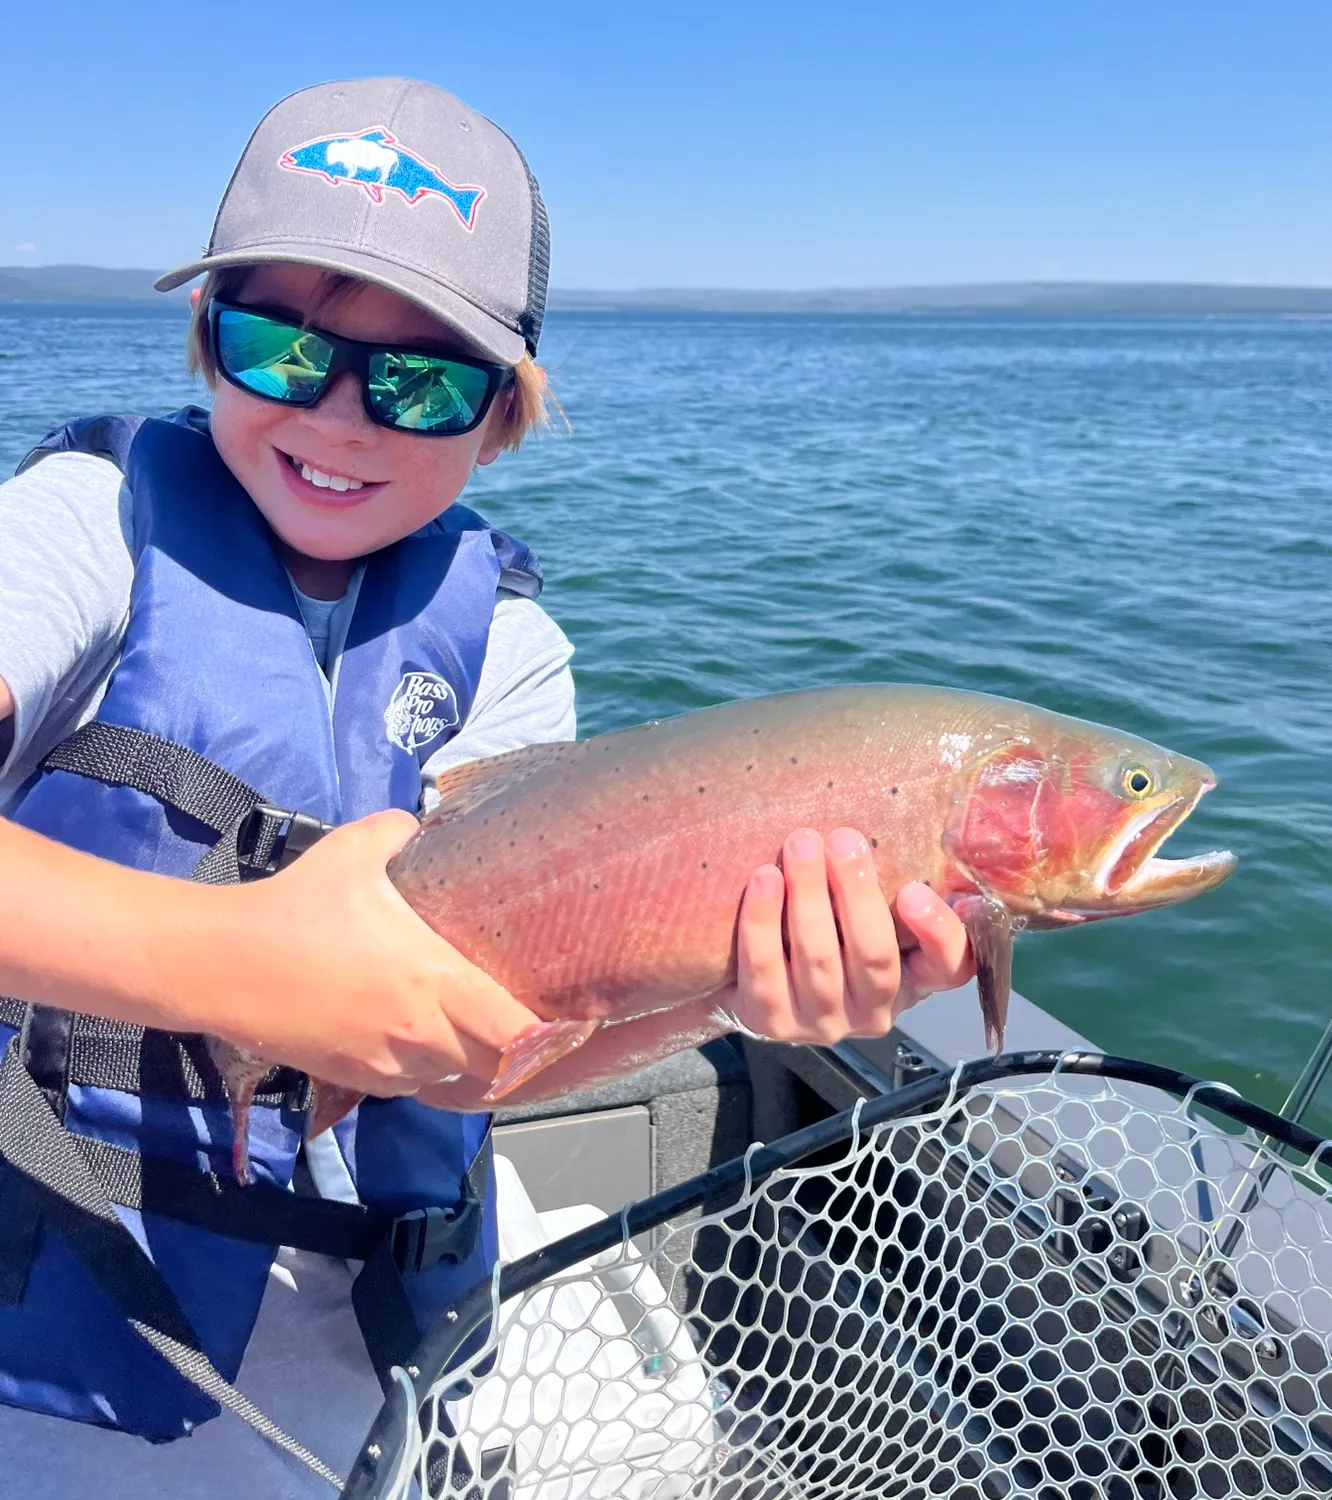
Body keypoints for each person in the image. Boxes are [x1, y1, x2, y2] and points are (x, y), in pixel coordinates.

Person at [0, 78, 972, 1494]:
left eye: (422, 381)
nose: (342, 417)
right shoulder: (84, 528)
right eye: (281, 346)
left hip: (374, 1353)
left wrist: (730, 995)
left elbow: (487, 1057)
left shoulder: (509, 653)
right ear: (207, 335)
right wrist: (235, 963)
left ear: (502, 414)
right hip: (58, 1298)